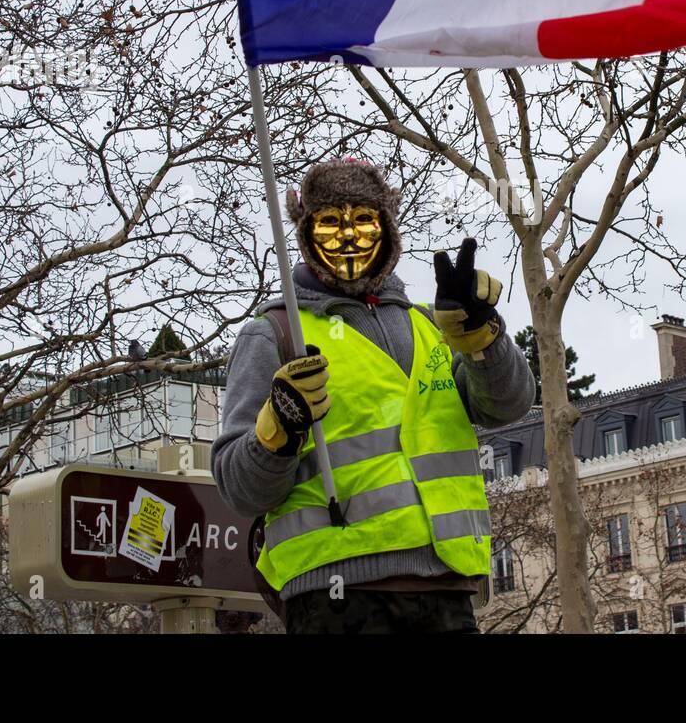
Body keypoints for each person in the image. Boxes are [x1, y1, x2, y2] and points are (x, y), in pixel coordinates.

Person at [213, 158, 535, 633]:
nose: (348, 236)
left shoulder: (430, 327)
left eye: (363, 219)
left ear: (386, 227)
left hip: (447, 589)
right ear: (306, 235)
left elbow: (507, 404)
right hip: (336, 600)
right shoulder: (275, 335)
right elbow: (238, 488)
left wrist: (483, 339)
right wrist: (276, 430)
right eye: (329, 222)